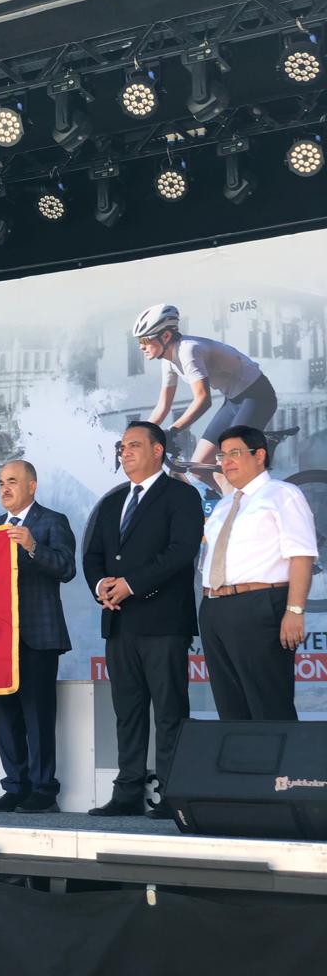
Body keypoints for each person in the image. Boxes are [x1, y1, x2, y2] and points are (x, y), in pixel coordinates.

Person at [83, 422, 204, 819]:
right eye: (122, 446)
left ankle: (173, 792)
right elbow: (93, 554)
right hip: (120, 623)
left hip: (164, 622)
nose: (125, 452)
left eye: (134, 445)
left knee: (169, 711)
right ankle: (128, 792)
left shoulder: (181, 495)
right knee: (128, 711)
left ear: (157, 450)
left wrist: (131, 584)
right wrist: (102, 585)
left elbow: (181, 551)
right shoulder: (113, 500)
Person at [199, 425, 317, 721]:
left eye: (235, 453)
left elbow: (301, 556)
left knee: (269, 703)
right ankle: (242, 755)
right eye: (222, 455)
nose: (226, 461)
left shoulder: (282, 494)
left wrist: (294, 611)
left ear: (259, 455)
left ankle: (282, 755)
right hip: (214, 607)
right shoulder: (224, 504)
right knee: (230, 707)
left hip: (260, 605)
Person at [0, 460, 76, 814]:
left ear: (32, 486)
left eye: (12, 481)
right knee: (3, 714)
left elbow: (67, 568)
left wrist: (33, 546)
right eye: (0, 482)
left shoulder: (52, 521)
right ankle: (15, 785)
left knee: (38, 714)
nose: (4, 488)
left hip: (38, 634)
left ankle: (43, 789)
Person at [133, 304, 277, 492]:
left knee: (228, 461)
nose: (141, 346)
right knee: (199, 467)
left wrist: (173, 430)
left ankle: (251, 502)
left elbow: (203, 400)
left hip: (257, 397)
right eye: (139, 341)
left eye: (145, 340)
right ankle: (231, 503)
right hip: (233, 400)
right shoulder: (168, 361)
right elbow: (163, 406)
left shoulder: (188, 351)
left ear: (166, 336)